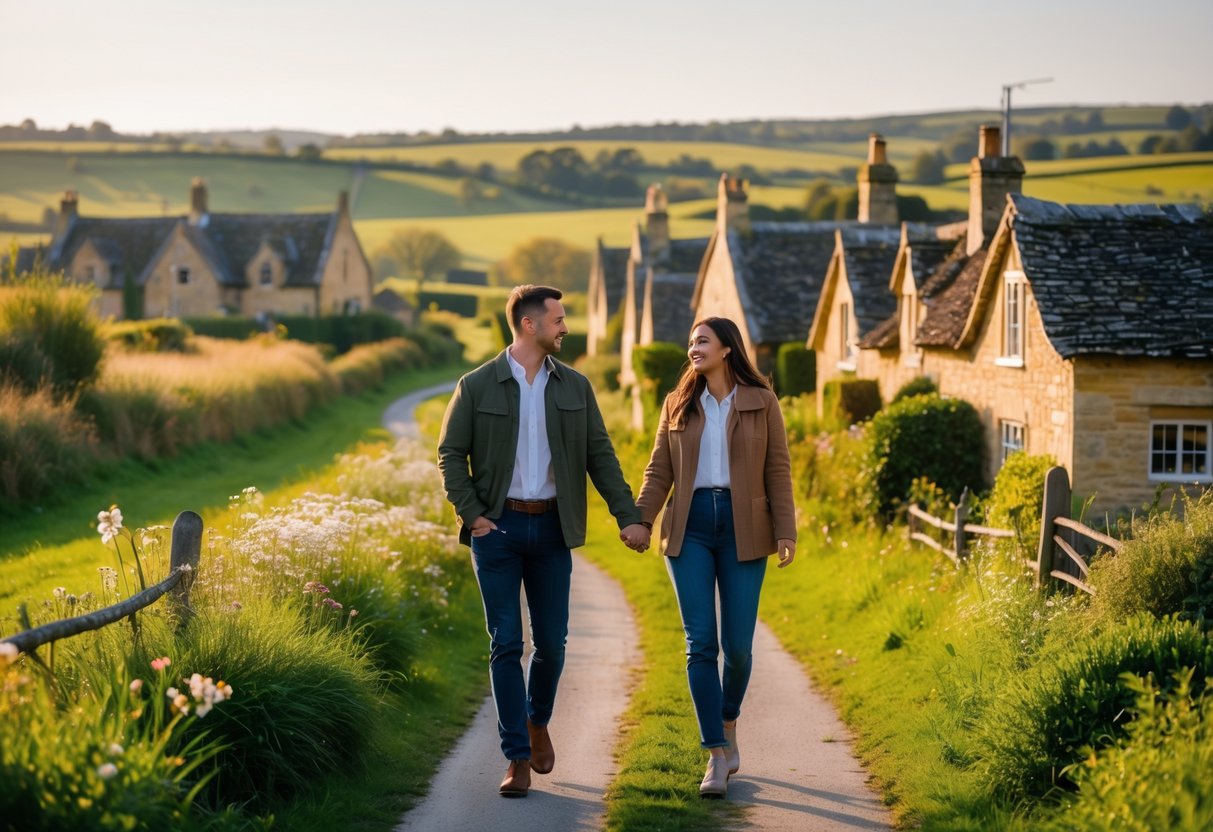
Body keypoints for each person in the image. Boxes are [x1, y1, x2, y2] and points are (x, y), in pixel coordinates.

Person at [438, 284, 647, 798]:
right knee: (506, 643)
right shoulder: (477, 385)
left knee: (551, 645)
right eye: (558, 318)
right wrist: (473, 515)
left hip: (553, 529)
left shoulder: (575, 387)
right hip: (499, 530)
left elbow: (601, 456)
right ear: (529, 324)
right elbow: (450, 455)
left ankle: (537, 721)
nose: (565, 326)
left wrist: (630, 517)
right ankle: (516, 759)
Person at [621, 316, 796, 799]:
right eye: (692, 342)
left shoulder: (762, 401)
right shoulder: (678, 403)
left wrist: (787, 531)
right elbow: (658, 469)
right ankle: (716, 755)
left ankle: (729, 718)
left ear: (726, 349)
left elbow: (778, 469)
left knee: (738, 648)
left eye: (702, 341)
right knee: (701, 644)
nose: (693, 348)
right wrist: (641, 519)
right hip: (690, 527)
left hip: (746, 527)